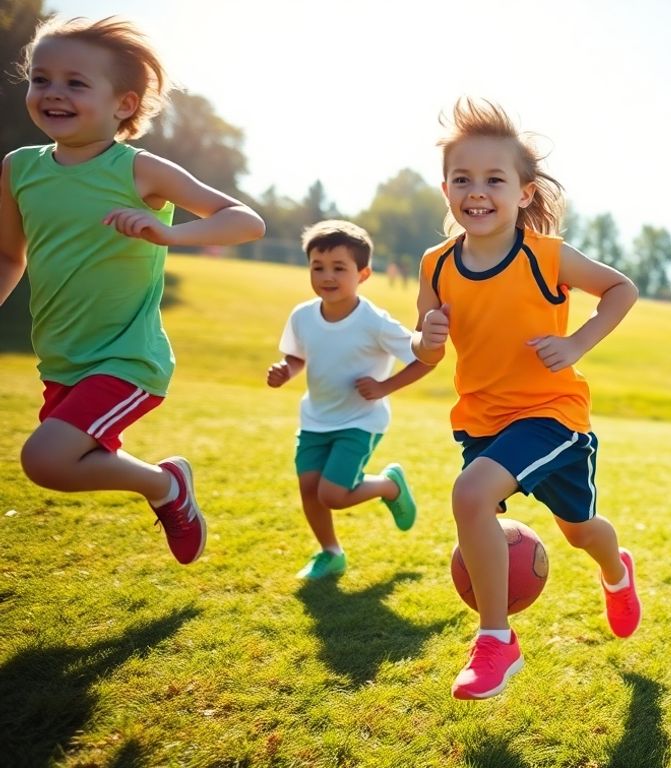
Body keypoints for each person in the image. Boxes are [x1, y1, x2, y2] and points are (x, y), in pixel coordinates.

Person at [0, 16, 264, 564]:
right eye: (41, 78)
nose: (53, 93)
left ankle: (167, 488)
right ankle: (167, 485)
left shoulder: (139, 170)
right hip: (62, 360)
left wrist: (170, 232)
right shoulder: (19, 170)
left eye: (76, 82)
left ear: (124, 104)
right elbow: (9, 255)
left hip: (127, 358)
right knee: (60, 467)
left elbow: (245, 221)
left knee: (43, 460)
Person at [413, 99, 641, 700]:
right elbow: (427, 348)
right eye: (462, 179)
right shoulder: (436, 266)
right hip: (482, 424)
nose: (477, 191)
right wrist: (425, 337)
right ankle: (499, 634)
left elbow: (621, 288)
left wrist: (577, 343)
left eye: (494, 179)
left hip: (552, 417)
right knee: (516, 512)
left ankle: (608, 578)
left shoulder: (545, 255)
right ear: (445, 189)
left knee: (564, 524)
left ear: (523, 192)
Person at [266, 221, 432, 579]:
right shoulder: (303, 316)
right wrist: (285, 371)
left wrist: (384, 388)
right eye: (318, 267)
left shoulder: (374, 321)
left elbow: (425, 359)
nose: (327, 276)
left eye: (339, 268)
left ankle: (389, 485)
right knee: (310, 490)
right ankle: (331, 552)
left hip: (360, 420)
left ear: (364, 273)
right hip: (315, 418)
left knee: (333, 494)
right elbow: (297, 356)